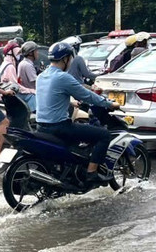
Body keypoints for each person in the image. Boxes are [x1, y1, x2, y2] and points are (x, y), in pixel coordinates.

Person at [36, 41, 120, 186]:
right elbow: (87, 95)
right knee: (103, 135)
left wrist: (69, 102)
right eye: (70, 57)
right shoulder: (63, 77)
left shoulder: (41, 76)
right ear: (65, 59)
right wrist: (109, 104)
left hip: (41, 126)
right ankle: (91, 173)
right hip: (59, 127)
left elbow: (50, 97)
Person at [16, 42, 40, 112]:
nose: (37, 53)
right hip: (31, 95)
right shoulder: (28, 65)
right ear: (30, 53)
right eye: (36, 51)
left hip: (25, 93)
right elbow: (36, 82)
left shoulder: (22, 63)